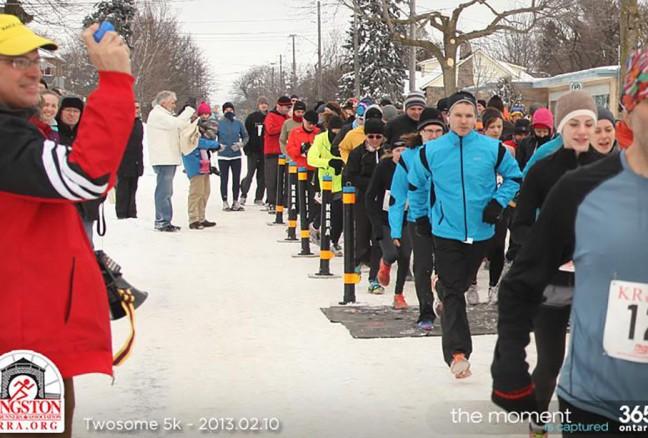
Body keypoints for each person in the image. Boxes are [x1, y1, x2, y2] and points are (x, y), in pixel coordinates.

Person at [491, 49, 648, 437]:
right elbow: (522, 282)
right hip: (602, 406)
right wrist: (509, 362)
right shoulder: (580, 190)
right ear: (627, 108)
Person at [0, 16, 134, 438]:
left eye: (34, 59)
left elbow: (82, 187)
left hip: (29, 338)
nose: (34, 70)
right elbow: (83, 177)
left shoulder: (20, 130)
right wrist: (113, 81)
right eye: (15, 60)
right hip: (18, 346)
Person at [408, 91, 521, 379]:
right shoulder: (431, 151)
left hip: (482, 230)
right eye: (458, 115)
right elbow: (416, 185)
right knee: (456, 290)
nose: (463, 120)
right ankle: (458, 354)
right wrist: (420, 216)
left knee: (453, 286)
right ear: (448, 118)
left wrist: (497, 203)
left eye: (469, 115)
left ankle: (441, 287)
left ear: (477, 120)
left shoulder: (491, 149)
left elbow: (514, 177)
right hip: (446, 230)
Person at [388, 107, 446, 329]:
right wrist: (395, 230)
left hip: (446, 219)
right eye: (428, 131)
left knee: (446, 265)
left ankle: (445, 300)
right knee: (422, 266)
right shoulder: (409, 157)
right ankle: (425, 311)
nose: (433, 136)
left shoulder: (451, 154)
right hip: (418, 218)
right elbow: (397, 195)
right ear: (420, 132)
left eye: (438, 131)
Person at [367, 140, 413, 309]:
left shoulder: (414, 167)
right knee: (392, 253)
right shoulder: (383, 167)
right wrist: (376, 223)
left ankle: (398, 295)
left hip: (407, 218)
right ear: (391, 152)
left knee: (405, 256)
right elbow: (370, 196)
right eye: (398, 150)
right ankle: (385, 264)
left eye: (404, 150)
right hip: (385, 218)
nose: (401, 153)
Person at [344, 118, 386, 294]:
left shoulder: (387, 152)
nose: (375, 140)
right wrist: (371, 184)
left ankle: (374, 278)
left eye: (378, 136)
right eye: (371, 136)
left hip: (383, 201)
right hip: (363, 200)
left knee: (378, 238)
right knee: (362, 235)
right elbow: (350, 175)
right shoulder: (357, 153)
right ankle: (360, 259)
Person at [147, 90, 195, 231]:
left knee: (167, 192)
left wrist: (185, 113)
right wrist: (189, 110)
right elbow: (177, 124)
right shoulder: (157, 115)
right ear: (164, 102)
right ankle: (161, 221)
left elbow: (178, 123)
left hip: (168, 158)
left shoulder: (164, 115)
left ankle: (165, 220)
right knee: (164, 191)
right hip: (163, 158)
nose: (174, 105)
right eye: (173, 102)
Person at [307, 114, 345, 254]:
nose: (335, 135)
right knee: (328, 210)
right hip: (325, 182)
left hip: (341, 181)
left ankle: (334, 241)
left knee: (339, 214)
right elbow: (311, 159)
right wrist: (328, 162)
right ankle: (316, 227)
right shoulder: (320, 139)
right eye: (333, 131)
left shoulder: (345, 138)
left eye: (338, 132)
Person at [182, 107, 220, 229]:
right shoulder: (187, 129)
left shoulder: (199, 128)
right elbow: (198, 142)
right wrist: (216, 145)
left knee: (205, 192)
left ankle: (201, 217)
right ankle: (194, 219)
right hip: (194, 164)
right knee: (196, 192)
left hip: (204, 164)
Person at [286, 110, 320, 226]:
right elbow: (290, 150)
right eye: (309, 123)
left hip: (313, 170)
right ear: (304, 121)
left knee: (312, 198)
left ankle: (310, 222)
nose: (311, 126)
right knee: (296, 197)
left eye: (314, 124)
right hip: (298, 169)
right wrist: (300, 150)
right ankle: (292, 223)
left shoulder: (318, 133)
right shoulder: (295, 132)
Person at [115, 101, 144, 219]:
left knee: (133, 188)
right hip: (123, 162)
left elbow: (139, 145)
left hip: (135, 161)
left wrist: (140, 163)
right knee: (122, 189)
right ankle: (121, 213)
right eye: (134, 108)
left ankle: (132, 212)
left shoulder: (138, 123)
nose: (136, 110)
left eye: (138, 108)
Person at [217, 102, 248, 211]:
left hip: (236, 156)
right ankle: (225, 201)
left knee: (236, 179)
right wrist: (217, 146)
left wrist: (241, 144)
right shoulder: (219, 123)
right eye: (226, 110)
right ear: (223, 111)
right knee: (224, 179)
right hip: (223, 156)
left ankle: (235, 201)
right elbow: (212, 137)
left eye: (231, 109)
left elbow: (245, 136)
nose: (229, 111)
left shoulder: (238, 123)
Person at [263, 95, 292, 213]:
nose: (288, 109)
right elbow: (270, 130)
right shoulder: (270, 116)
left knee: (285, 178)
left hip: (284, 151)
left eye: (289, 107)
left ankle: (283, 201)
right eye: (286, 107)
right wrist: (284, 127)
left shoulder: (287, 117)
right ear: (279, 106)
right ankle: (271, 201)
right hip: (272, 151)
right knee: (272, 178)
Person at [241, 96, 268, 206]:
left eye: (265, 103)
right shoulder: (251, 117)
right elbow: (245, 135)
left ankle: (259, 197)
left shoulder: (269, 117)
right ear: (258, 105)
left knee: (262, 176)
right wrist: (246, 149)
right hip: (253, 151)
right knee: (250, 173)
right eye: (261, 103)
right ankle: (243, 194)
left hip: (264, 151)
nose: (263, 105)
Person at [515, 107, 555, 172]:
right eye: (538, 132)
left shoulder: (556, 145)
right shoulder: (525, 144)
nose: (542, 135)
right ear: (533, 130)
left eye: (545, 132)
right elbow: (518, 165)